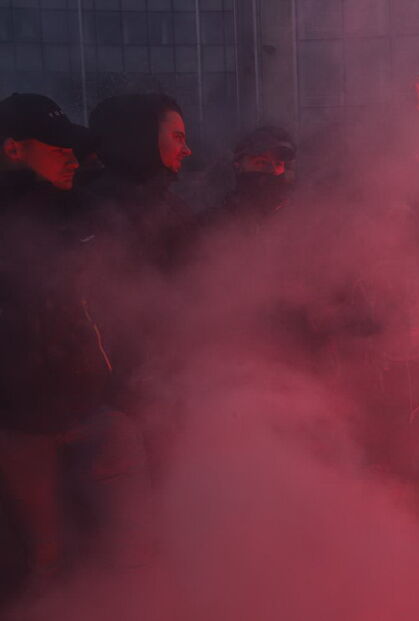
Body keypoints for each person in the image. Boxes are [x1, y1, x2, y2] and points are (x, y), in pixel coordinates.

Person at [0, 94, 151, 590]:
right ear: (13, 150)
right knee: (44, 562)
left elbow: (111, 311)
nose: (72, 156)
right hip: (19, 433)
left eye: (74, 147)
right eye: (57, 146)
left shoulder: (83, 216)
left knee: (128, 552)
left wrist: (121, 395)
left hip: (91, 413)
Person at [84, 93, 193, 271]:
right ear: (143, 137)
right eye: (178, 137)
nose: (187, 151)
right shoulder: (94, 211)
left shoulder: (172, 207)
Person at [200, 126, 297, 231]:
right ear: (238, 167)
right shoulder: (215, 225)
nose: (272, 170)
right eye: (261, 162)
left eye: (278, 164)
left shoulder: (298, 220)